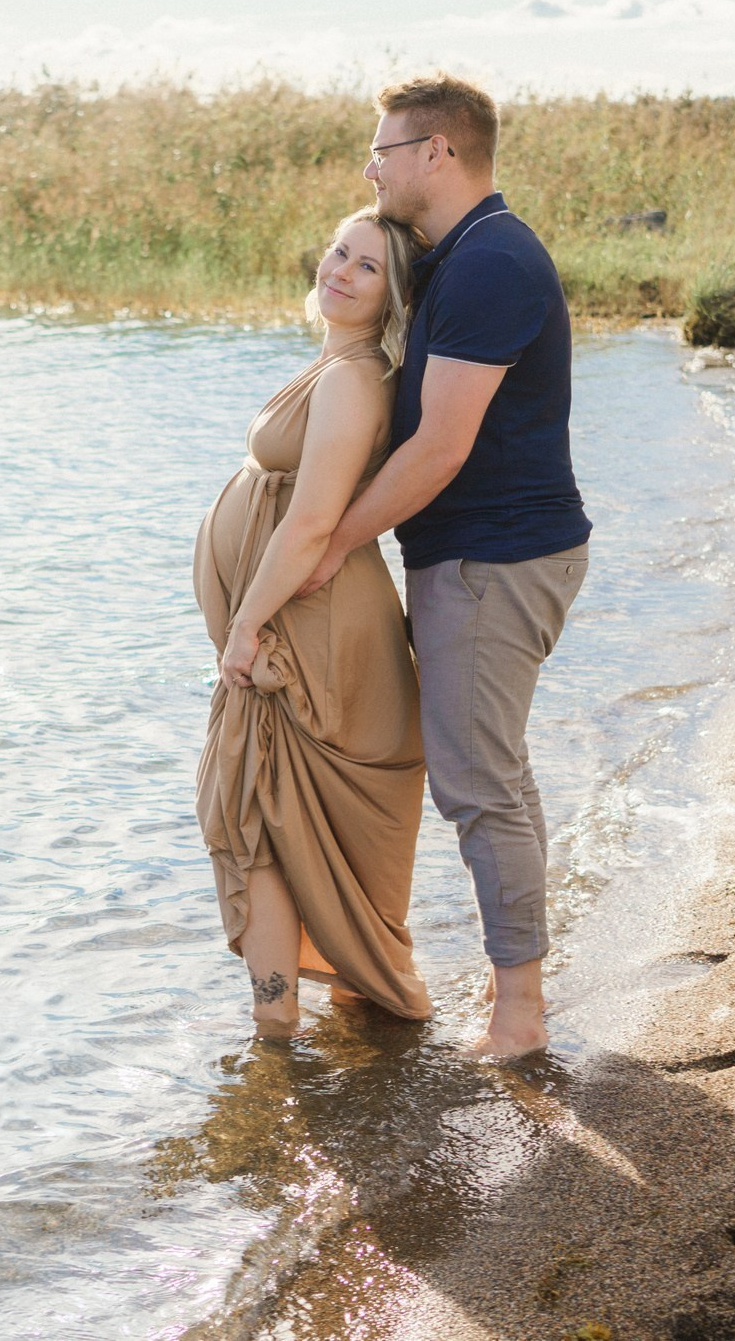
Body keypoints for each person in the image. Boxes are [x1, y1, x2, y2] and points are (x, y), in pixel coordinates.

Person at [299, 73, 591, 1059]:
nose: (370, 168)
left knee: (476, 782)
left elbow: (438, 450)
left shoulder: (490, 264)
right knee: (494, 772)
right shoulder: (462, 256)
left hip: (493, 559)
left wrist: (336, 542)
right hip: (490, 553)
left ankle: (519, 1015)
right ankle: (523, 985)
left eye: (380, 150)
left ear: (437, 153)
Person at [194, 206, 434, 1038]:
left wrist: (245, 624)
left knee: (269, 810)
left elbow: (311, 523)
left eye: (367, 266)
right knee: (268, 811)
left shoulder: (354, 377)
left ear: (393, 295)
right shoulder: (332, 363)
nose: (340, 269)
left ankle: (281, 1033)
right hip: (295, 621)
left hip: (312, 631)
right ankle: (291, 1027)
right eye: (339, 251)